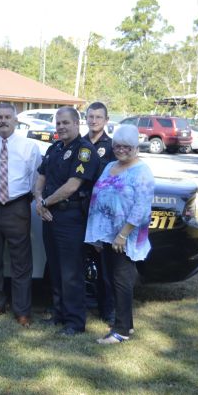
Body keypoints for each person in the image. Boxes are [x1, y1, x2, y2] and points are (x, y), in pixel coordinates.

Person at [85, 124, 154, 344]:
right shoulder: (110, 166)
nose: (121, 150)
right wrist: (97, 235)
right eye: (117, 146)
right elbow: (98, 198)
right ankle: (127, 324)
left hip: (125, 237)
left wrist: (122, 235)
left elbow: (141, 207)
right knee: (110, 279)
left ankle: (121, 330)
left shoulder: (142, 171)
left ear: (136, 147)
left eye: (127, 147)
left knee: (121, 281)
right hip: (107, 235)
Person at [34, 106, 100, 336]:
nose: (61, 127)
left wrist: (45, 203)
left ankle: (75, 322)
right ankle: (59, 314)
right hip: (50, 216)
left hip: (71, 218)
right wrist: (39, 200)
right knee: (55, 268)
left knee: (71, 271)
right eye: (58, 123)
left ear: (76, 124)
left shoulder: (85, 150)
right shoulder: (54, 148)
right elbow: (41, 177)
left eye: (65, 123)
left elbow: (72, 186)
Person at [0, 103, 41, 327]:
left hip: (17, 207)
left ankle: (22, 310)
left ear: (16, 120)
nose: (3, 121)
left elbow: (36, 179)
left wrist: (24, 201)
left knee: (21, 261)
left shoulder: (29, 147)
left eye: (7, 117)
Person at [83, 101, 117, 324]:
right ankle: (79, 305)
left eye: (98, 117)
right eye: (91, 116)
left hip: (103, 214)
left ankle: (108, 310)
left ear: (106, 120)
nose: (94, 120)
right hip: (80, 211)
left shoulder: (113, 146)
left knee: (106, 267)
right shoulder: (80, 143)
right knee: (79, 263)